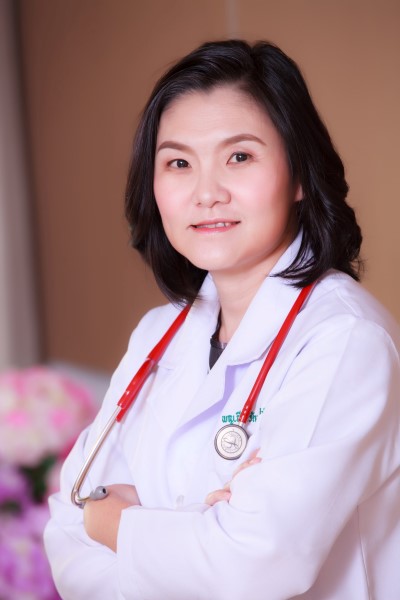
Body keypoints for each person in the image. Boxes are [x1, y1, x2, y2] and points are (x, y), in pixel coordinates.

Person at [44, 40, 400, 600]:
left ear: (299, 173)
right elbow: (66, 532)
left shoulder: (346, 341)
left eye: (239, 157)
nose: (206, 193)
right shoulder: (157, 335)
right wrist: (197, 537)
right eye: (179, 163)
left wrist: (114, 524)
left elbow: (254, 565)